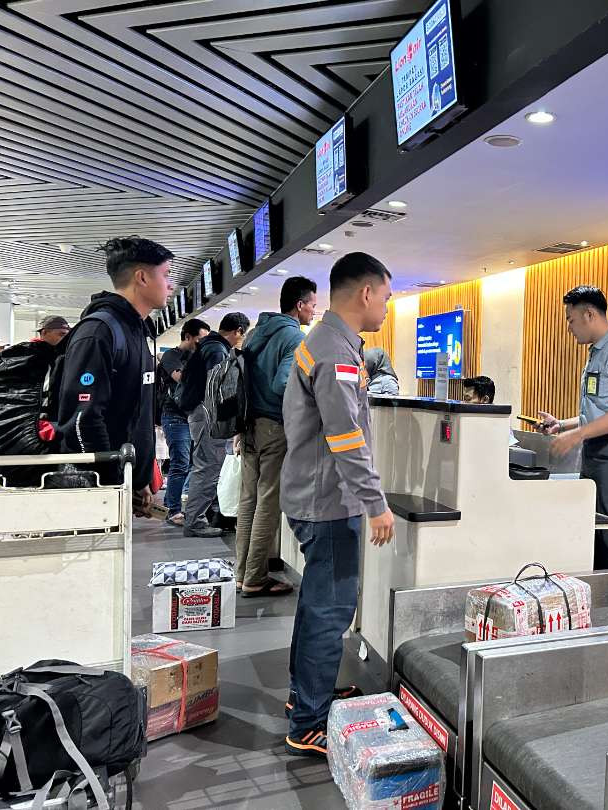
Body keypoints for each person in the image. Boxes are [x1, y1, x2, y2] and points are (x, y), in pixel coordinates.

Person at [280, 252, 395, 758]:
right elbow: (346, 438)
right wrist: (376, 504)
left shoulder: (326, 341)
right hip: (328, 501)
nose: (388, 308)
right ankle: (308, 721)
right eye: (387, 298)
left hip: (313, 494)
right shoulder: (336, 353)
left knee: (315, 604)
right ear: (366, 293)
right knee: (330, 610)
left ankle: (307, 696)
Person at [55, 237, 174, 516]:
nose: (170, 285)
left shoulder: (138, 331)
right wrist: (112, 482)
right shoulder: (99, 332)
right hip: (96, 489)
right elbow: (81, 419)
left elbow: (135, 413)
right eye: (166, 275)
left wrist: (141, 477)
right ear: (142, 277)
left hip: (123, 484)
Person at [537, 285, 608, 569]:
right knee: (593, 529)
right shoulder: (596, 354)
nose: (569, 327)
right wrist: (562, 425)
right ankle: (603, 599)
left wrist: (579, 434)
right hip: (598, 449)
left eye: (571, 320)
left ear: (589, 314)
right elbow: (602, 410)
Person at [235, 276, 317, 597]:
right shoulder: (294, 337)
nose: (314, 309)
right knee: (268, 502)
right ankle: (255, 577)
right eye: (312, 303)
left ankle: (242, 573)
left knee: (248, 501)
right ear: (299, 305)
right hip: (274, 427)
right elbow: (284, 384)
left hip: (249, 425)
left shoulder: (256, 333)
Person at [180, 312, 249, 538]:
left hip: (198, 412)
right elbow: (218, 388)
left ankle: (198, 516)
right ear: (237, 331)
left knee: (205, 465)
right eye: (242, 334)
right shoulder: (217, 350)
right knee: (208, 467)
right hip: (207, 415)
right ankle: (195, 521)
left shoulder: (208, 345)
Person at [157, 318, 211, 527]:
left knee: (191, 463)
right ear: (188, 337)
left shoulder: (197, 356)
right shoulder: (172, 356)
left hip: (193, 416)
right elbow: (181, 378)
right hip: (175, 416)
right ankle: (173, 510)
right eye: (200, 340)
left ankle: (177, 500)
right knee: (180, 462)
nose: (202, 345)